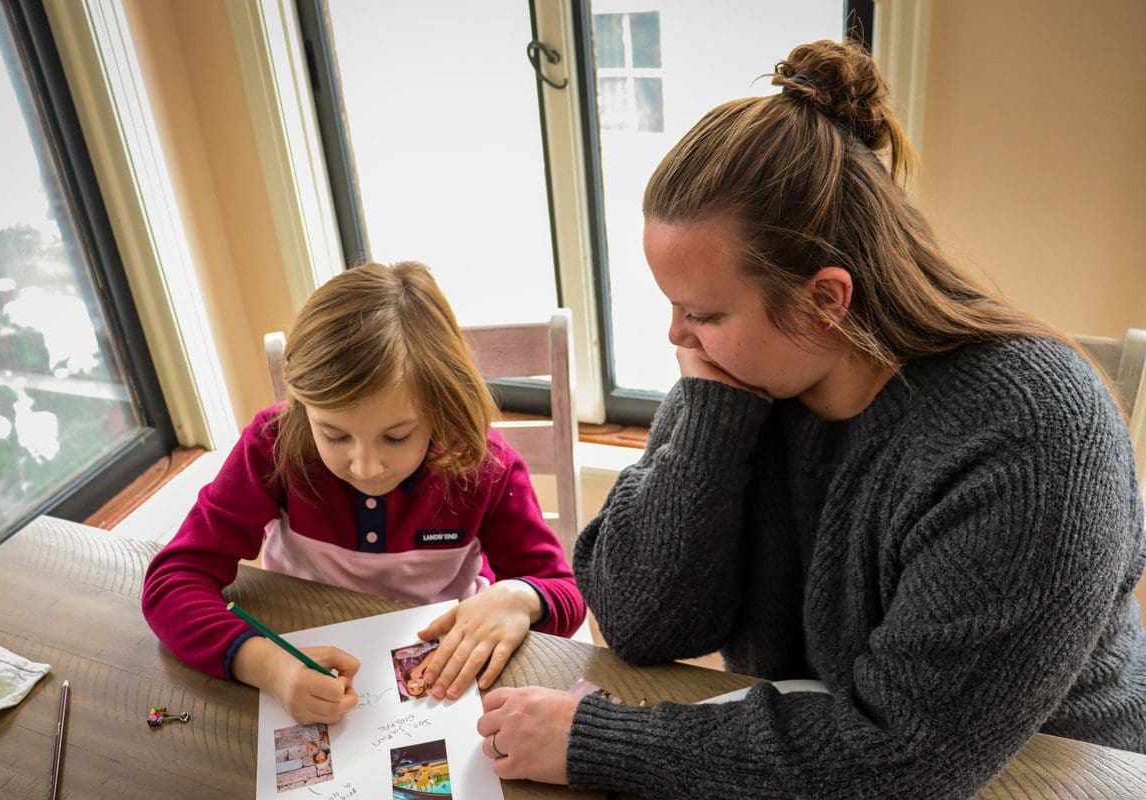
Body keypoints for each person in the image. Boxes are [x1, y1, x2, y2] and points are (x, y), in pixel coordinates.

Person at [476, 38, 1146, 799]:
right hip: (828, 752)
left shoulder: (1032, 436)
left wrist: (598, 742)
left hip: (1059, 773)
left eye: (701, 312)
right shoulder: (742, 379)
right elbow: (637, 623)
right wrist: (710, 420)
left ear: (825, 302)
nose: (675, 338)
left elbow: (900, 759)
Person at [142, 260, 585, 724]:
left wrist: (519, 597)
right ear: (302, 408)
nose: (367, 467)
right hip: (305, 654)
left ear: (441, 407)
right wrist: (269, 666)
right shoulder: (272, 445)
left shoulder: (483, 464)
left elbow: (565, 594)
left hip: (439, 686)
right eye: (334, 435)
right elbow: (172, 580)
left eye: (396, 437)